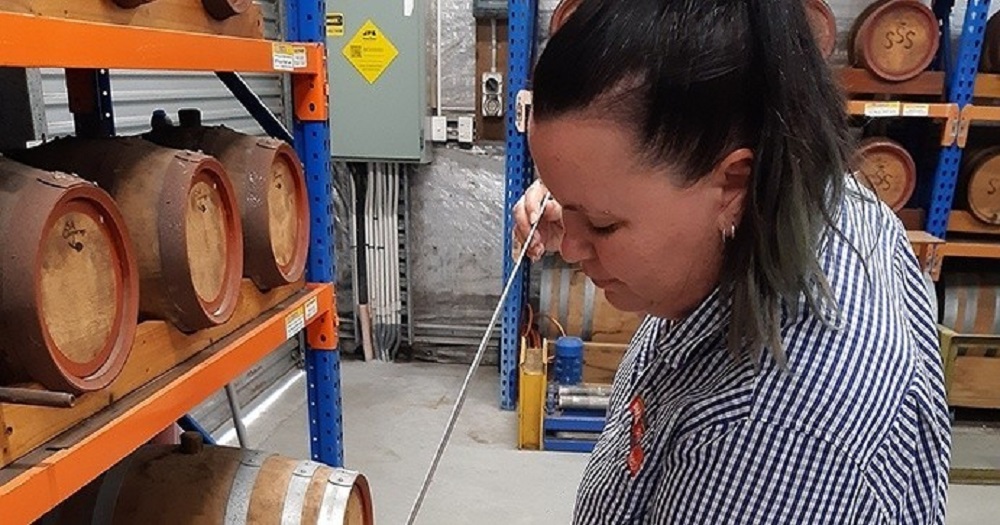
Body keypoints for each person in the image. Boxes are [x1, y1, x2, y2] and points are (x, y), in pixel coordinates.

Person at [511, 0, 952, 523]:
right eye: (567, 201)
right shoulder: (806, 186)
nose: (569, 247)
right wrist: (584, 197)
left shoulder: (774, 442)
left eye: (604, 224)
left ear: (734, 183)